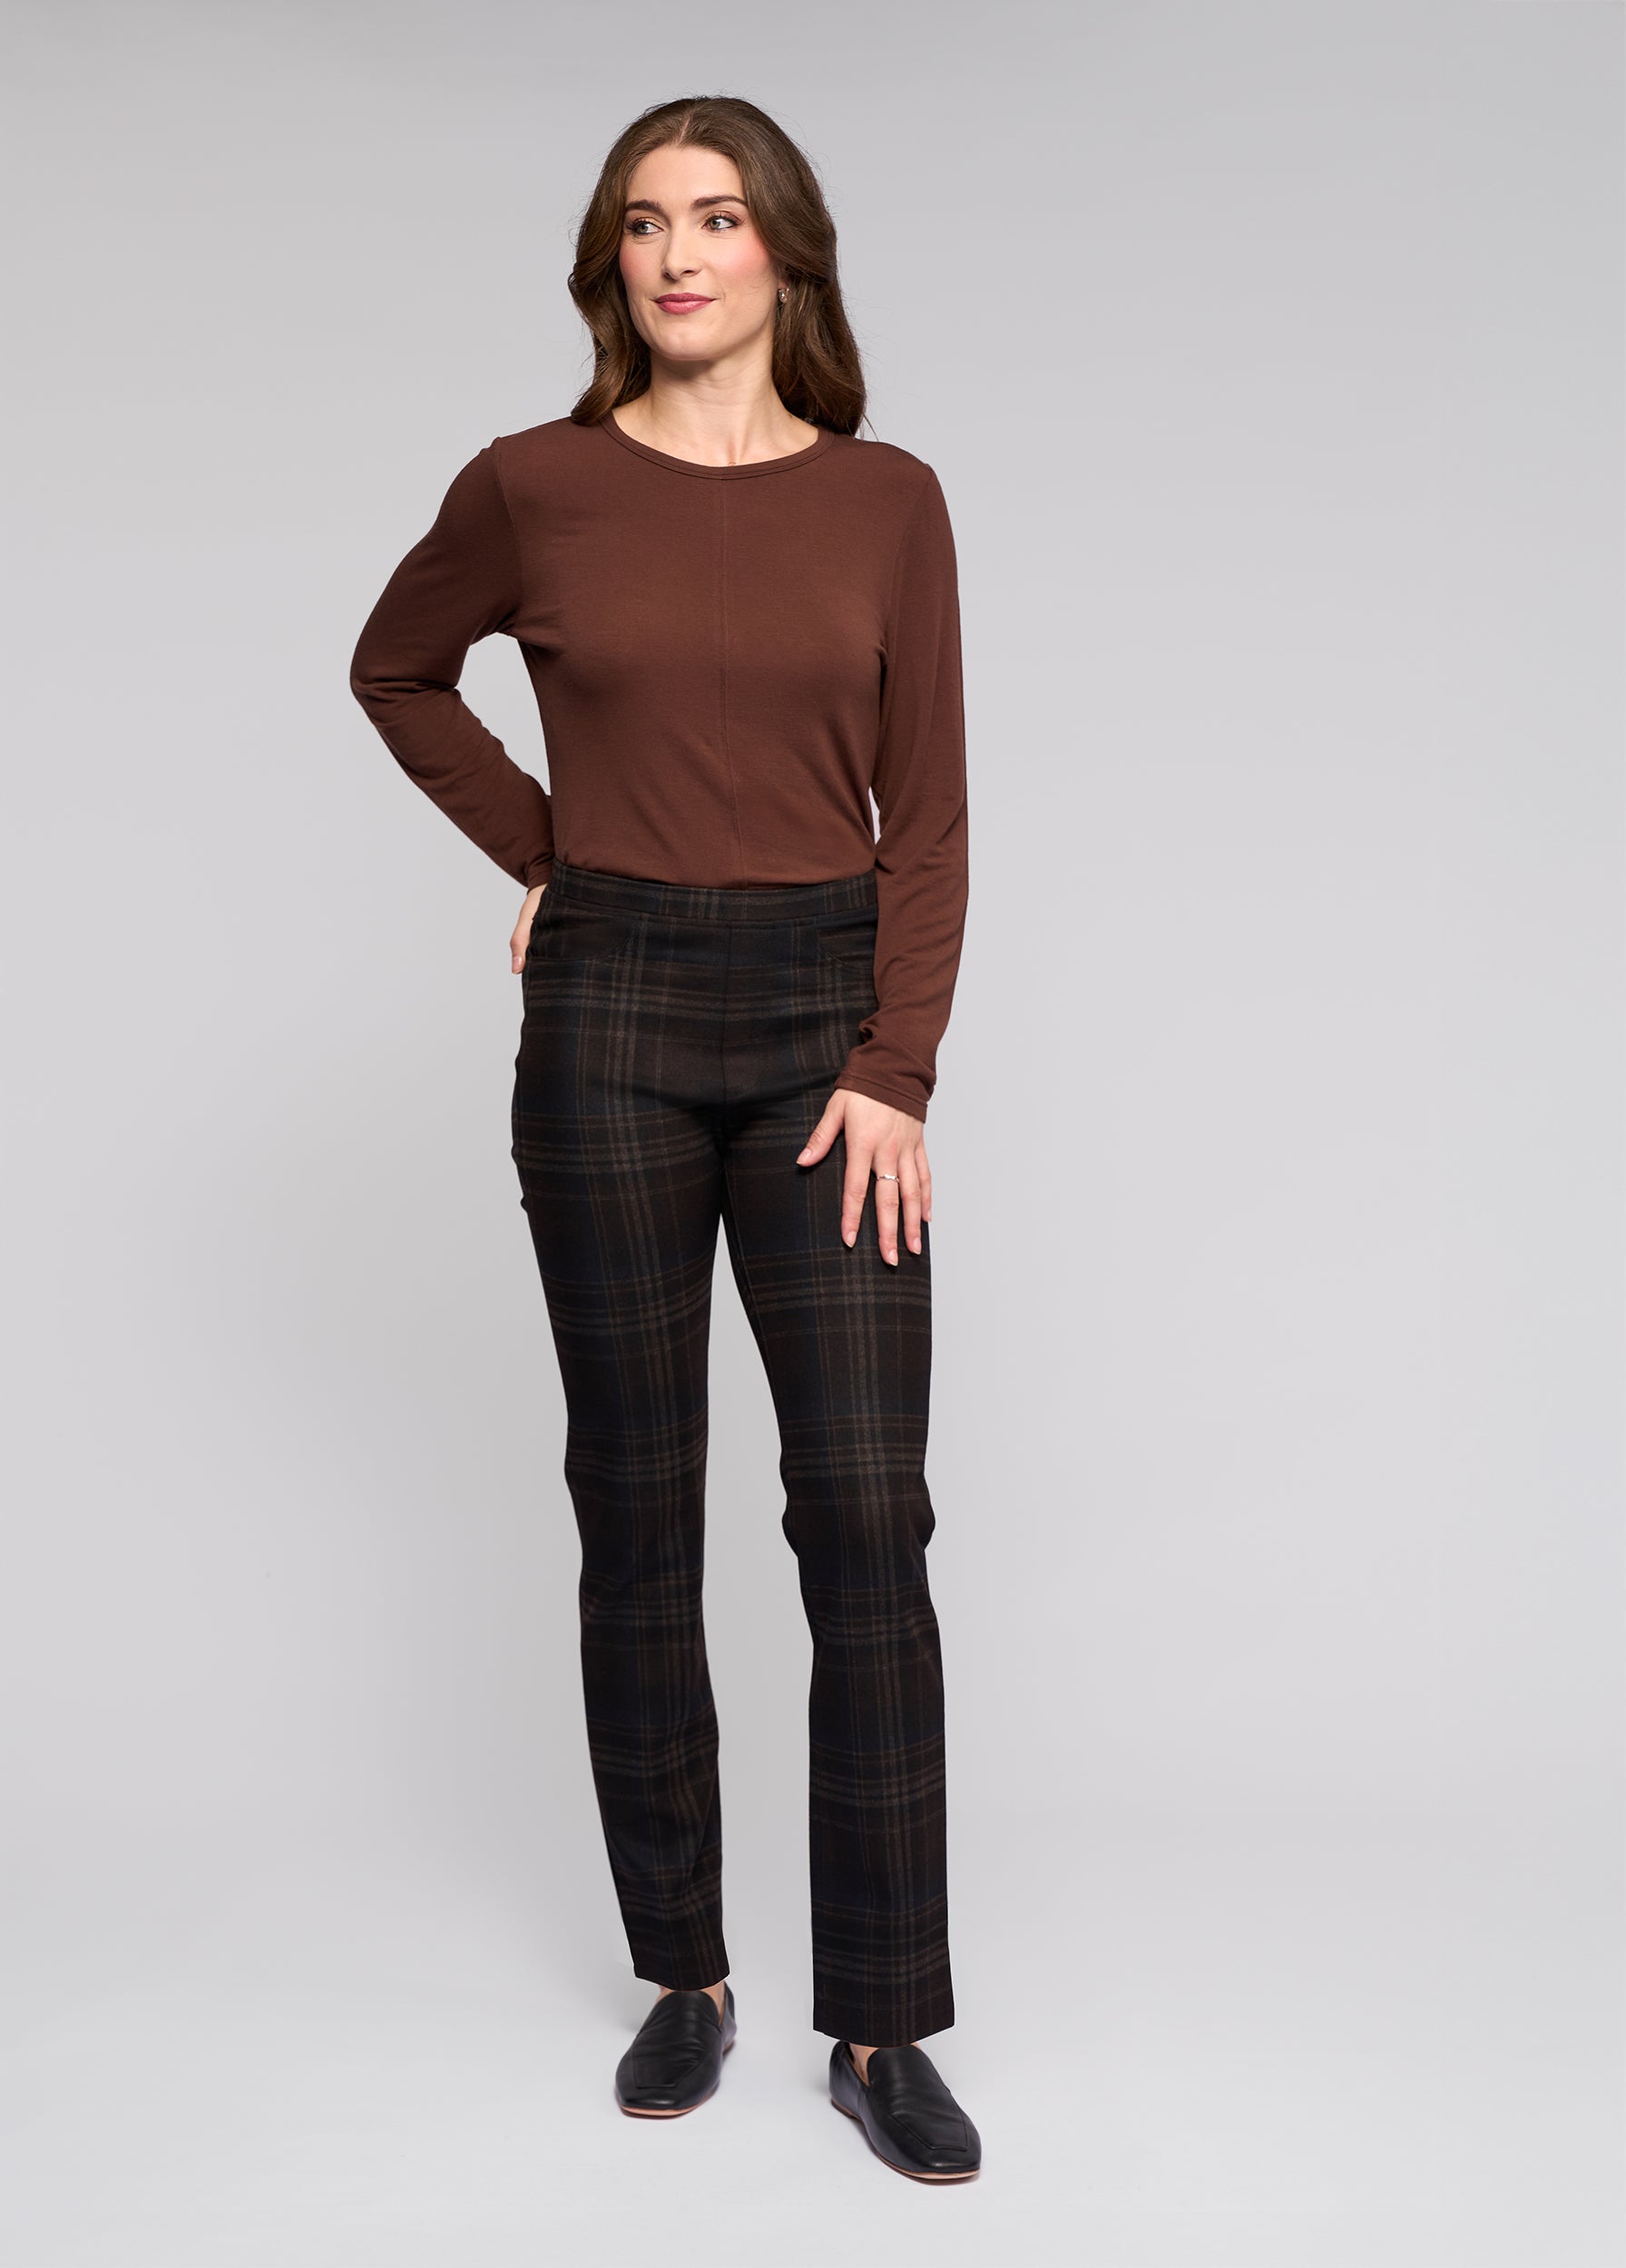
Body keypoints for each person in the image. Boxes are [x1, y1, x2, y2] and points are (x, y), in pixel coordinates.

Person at [348, 93, 978, 2183]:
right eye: (643, 222)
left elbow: (929, 810)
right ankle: (684, 1969)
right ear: (608, 262)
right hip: (608, 1014)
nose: (679, 253)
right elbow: (395, 668)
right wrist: (549, 853)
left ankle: (880, 2013)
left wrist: (895, 1065)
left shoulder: (887, 499)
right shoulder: (532, 486)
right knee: (635, 1506)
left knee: (864, 1517)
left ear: (783, 251)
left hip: (824, 1031)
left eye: (715, 216)